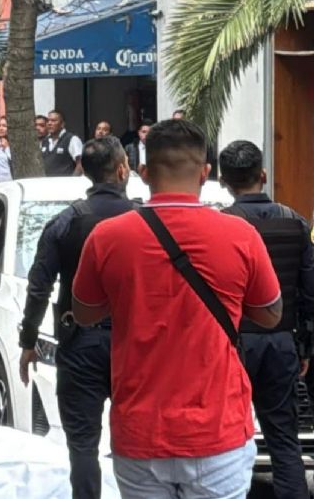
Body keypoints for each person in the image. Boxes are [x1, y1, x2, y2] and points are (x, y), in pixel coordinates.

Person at [72, 119, 282, 498]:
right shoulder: (241, 235)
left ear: (143, 172)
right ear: (205, 173)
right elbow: (270, 313)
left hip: (139, 433)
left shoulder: (106, 238)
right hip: (218, 431)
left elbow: (85, 313)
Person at [19, 137, 135, 499]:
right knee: (137, 438)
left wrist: (28, 341)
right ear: (122, 169)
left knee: (82, 445)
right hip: (135, 345)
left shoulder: (64, 222)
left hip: (79, 341)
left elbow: (39, 286)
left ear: (83, 170)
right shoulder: (146, 222)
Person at [218, 140, 314, 499]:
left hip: (233, 346)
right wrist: (304, 346)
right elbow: (309, 292)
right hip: (281, 340)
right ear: (263, 175)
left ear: (225, 181)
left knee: (226, 439)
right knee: (284, 438)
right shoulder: (295, 222)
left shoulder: (219, 226)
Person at [41, 110, 83, 176]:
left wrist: (72, 182)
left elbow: (80, 165)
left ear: (62, 124)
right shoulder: (44, 141)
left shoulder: (72, 139)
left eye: (53, 121)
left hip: (65, 184)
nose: (49, 123)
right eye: (48, 121)